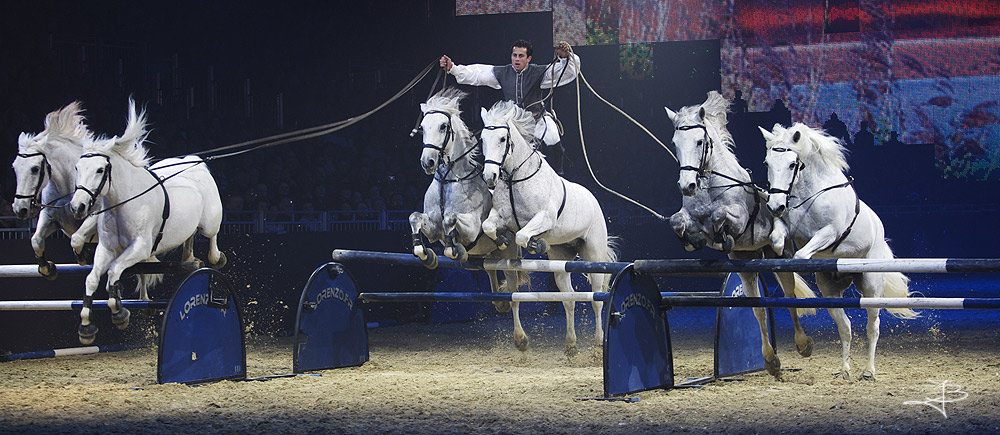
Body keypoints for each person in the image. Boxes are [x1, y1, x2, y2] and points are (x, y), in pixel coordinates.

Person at [439, 40, 580, 174]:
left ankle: (558, 175)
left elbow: (566, 72)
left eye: (521, 56)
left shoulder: (538, 72)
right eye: (514, 55)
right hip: (514, 124)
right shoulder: (503, 72)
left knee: (553, 136)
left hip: (537, 121)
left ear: (528, 58)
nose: (516, 59)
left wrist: (565, 57)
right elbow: (478, 73)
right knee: (491, 138)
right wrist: (454, 69)